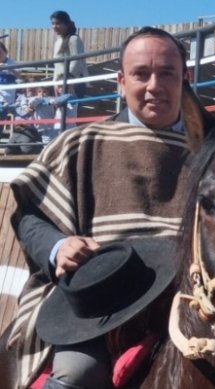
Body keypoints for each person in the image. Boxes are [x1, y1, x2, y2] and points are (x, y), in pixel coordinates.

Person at [8, 27, 195, 389]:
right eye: (141, 74)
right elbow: (30, 216)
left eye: (167, 73)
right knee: (77, 373)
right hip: (102, 304)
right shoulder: (81, 144)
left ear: (186, 79)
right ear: (121, 82)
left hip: (191, 301)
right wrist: (57, 247)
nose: (155, 85)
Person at [50, 10, 88, 133]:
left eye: (58, 24)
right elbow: (57, 65)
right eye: (53, 23)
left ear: (67, 24)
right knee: (61, 116)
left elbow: (76, 61)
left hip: (73, 83)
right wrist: (55, 82)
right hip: (60, 84)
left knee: (71, 117)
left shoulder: (73, 39)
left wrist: (69, 81)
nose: (55, 27)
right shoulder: (57, 42)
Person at [0, 41, 19, 117]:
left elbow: (19, 75)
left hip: (8, 95)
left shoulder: (11, 62)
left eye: (0, 52)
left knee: (4, 113)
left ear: (6, 52)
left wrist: (9, 68)